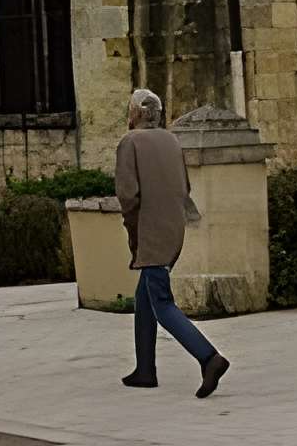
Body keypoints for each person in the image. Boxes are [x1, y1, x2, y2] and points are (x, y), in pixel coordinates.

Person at [112, 87, 229, 398]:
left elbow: (128, 196)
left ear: (135, 113)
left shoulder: (130, 142)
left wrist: (134, 234)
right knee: (145, 299)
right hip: (174, 230)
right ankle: (145, 369)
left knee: (162, 304)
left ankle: (209, 357)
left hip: (150, 234)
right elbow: (184, 186)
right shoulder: (171, 140)